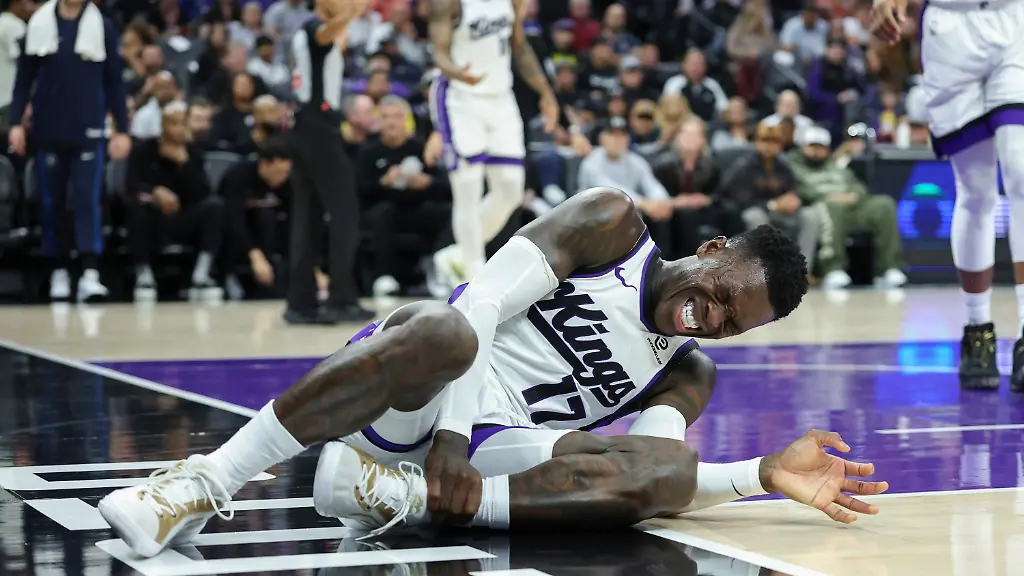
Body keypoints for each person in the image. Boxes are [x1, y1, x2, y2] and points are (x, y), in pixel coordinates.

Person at [98, 187, 887, 558]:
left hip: (492, 456)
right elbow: (476, 302)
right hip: (423, 390)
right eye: (719, 298)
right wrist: (445, 435)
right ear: (713, 252)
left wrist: (760, 474)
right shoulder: (611, 225)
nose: (708, 318)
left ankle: (391, 497)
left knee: (660, 465)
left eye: (728, 324)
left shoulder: (687, 371)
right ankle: (205, 482)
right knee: (443, 326)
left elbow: (654, 482)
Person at [871, 0, 1023, 389]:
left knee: (1021, 172)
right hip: (950, 29)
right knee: (976, 192)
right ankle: (977, 331)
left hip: (1014, 18)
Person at [427, 0, 559, 288]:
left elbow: (519, 45)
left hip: (501, 98)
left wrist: (546, 93)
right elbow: (438, 52)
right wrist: (457, 72)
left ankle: (457, 255)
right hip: (460, 98)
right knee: (468, 189)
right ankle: (474, 276)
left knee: (511, 189)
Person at [9, 0, 132, 303]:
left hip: (88, 128)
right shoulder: (38, 25)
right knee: (51, 203)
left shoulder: (102, 25)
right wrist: (14, 123)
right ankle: (58, 269)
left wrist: (123, 129)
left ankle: (90, 272)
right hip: (48, 127)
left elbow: (114, 81)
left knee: (86, 199)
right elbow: (23, 79)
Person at [286, 0, 373, 325]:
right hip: (316, 127)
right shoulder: (313, 29)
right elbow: (327, 35)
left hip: (306, 125)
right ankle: (340, 298)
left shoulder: (317, 33)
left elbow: (337, 38)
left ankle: (300, 303)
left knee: (306, 216)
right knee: (345, 212)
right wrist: (353, 10)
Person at [123, 101, 224, 302]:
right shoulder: (143, 149)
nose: (179, 129)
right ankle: (144, 274)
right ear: (163, 125)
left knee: (215, 207)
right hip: (153, 215)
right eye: (173, 123)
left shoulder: (194, 153)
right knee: (136, 209)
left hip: (184, 215)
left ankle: (202, 273)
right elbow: (131, 185)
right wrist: (155, 192)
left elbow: (203, 192)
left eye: (183, 124)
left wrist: (184, 164)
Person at [787, 126, 905, 290]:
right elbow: (799, 190)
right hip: (821, 205)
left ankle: (888, 268)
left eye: (820, 147)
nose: (816, 151)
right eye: (812, 146)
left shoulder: (835, 165)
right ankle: (833, 268)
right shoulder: (793, 166)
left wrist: (854, 195)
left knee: (884, 204)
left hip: (851, 205)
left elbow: (858, 186)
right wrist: (829, 196)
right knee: (832, 207)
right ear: (802, 146)